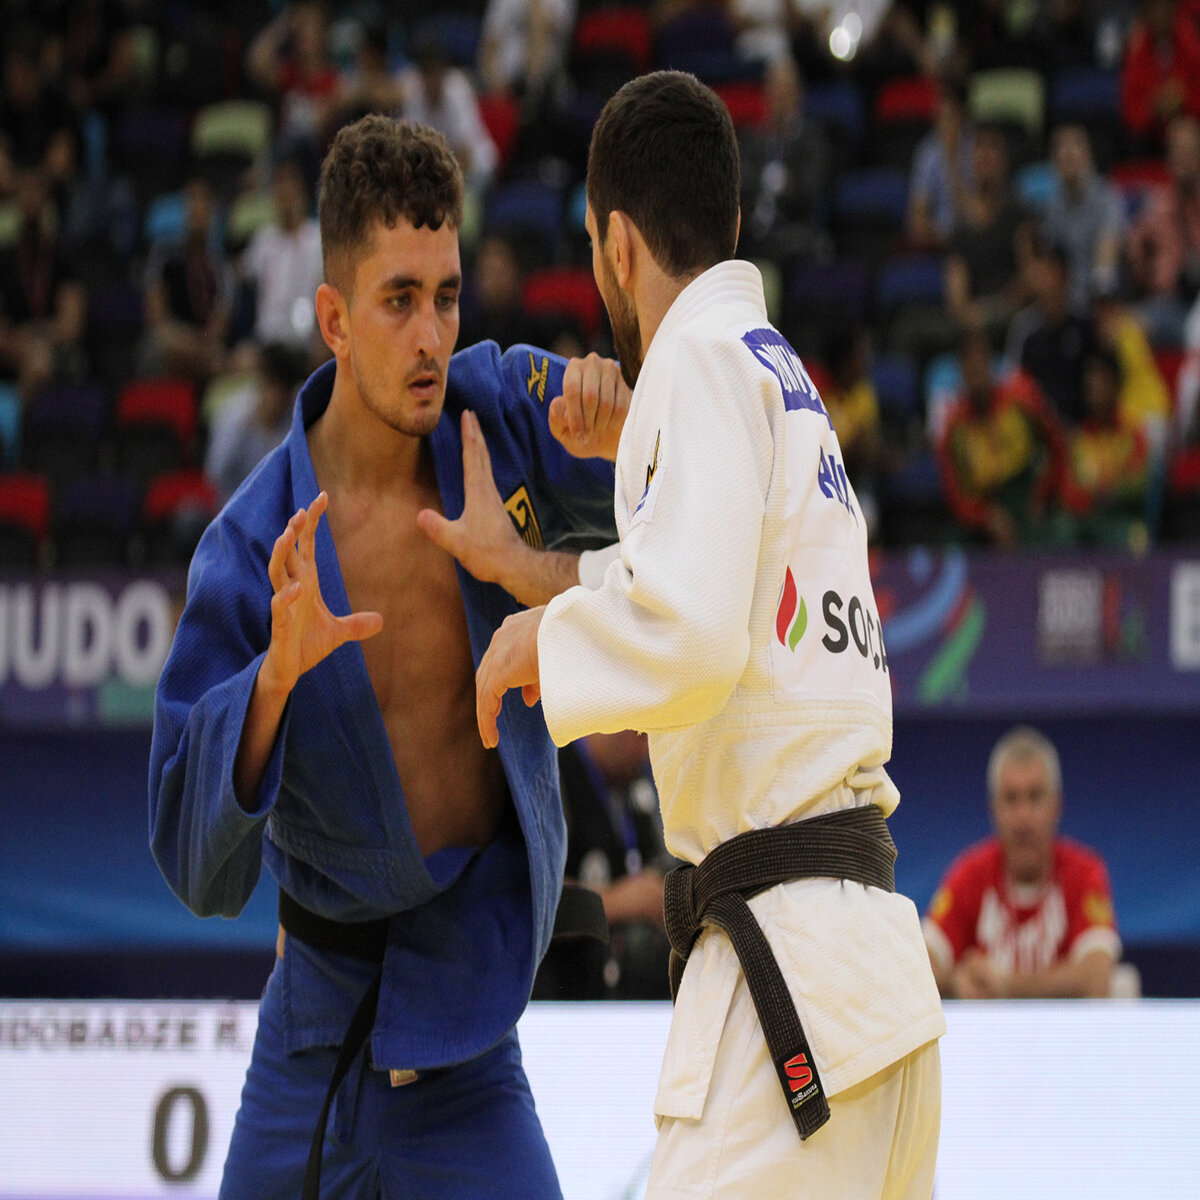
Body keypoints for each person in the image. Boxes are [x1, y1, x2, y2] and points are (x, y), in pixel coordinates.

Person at [476, 71, 944, 1199]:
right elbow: (697, 584)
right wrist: (534, 565)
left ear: (615, 244)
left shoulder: (694, 360)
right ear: (731, 218)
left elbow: (688, 640)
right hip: (871, 986)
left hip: (786, 988)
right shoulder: (775, 372)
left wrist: (538, 640)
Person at [149, 115, 626, 1199]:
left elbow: (688, 485)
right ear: (333, 318)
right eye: (398, 300)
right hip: (316, 1038)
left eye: (446, 297)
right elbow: (188, 854)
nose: (430, 337)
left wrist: (622, 423)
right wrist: (275, 680)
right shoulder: (254, 545)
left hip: (465, 1039)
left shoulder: (499, 419)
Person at [922, 725, 1121, 999]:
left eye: (1035, 797)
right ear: (994, 808)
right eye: (1011, 798)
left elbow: (1096, 978)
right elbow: (919, 965)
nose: (1023, 815)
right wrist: (955, 983)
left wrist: (1007, 986)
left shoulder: (1084, 873)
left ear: (1056, 806)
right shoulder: (970, 873)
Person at [533, 730, 676, 1001]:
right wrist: (617, 902)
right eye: (642, 735)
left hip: (616, 999)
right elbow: (532, 902)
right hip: (555, 1003)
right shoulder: (550, 773)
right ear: (612, 723)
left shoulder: (634, 784)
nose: (647, 750)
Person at [937, 327, 1073, 547]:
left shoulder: (1021, 402)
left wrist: (1044, 495)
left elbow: (1058, 446)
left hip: (1025, 502)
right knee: (951, 543)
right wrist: (985, 517)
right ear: (960, 369)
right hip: (983, 511)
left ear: (991, 362)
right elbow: (956, 492)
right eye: (968, 360)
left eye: (981, 358)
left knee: (1057, 533)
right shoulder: (955, 426)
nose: (975, 367)